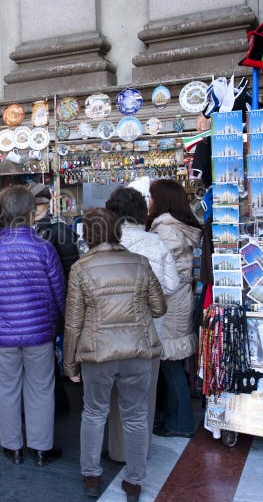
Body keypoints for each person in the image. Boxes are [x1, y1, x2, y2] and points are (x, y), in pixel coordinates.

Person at [64, 208, 166, 501]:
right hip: (138, 350)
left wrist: (70, 364)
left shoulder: (81, 269)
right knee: (135, 417)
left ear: (88, 235)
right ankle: (134, 481)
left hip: (97, 352)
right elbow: (160, 308)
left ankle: (91, 478)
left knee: (94, 414)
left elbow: (73, 323)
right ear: (117, 231)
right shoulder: (140, 263)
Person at [0, 185, 64, 466]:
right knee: (40, 388)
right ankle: (40, 448)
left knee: (6, 389)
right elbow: (58, 294)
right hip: (39, 332)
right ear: (30, 212)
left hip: (0, 333)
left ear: (3, 212)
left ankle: (12, 447)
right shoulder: (44, 248)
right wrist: (56, 324)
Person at [104, 186, 181, 460]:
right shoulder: (155, 243)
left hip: (111, 331)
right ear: (141, 213)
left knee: (115, 395)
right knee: (143, 396)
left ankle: (116, 450)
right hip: (149, 331)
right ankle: (139, 451)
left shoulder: (106, 244)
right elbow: (172, 284)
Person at [146, 179, 202, 437]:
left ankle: (182, 423)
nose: (149, 202)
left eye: (151, 197)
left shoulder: (166, 230)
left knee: (171, 366)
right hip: (177, 303)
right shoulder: (174, 227)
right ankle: (173, 418)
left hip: (170, 306)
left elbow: (167, 275)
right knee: (172, 365)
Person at [29, 182, 79, 415]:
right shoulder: (26, 229)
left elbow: (70, 269)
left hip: (52, 302)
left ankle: (56, 403)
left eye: (39, 204)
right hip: (35, 305)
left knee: (50, 356)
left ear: (47, 204)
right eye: (33, 205)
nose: (36, 209)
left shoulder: (59, 230)